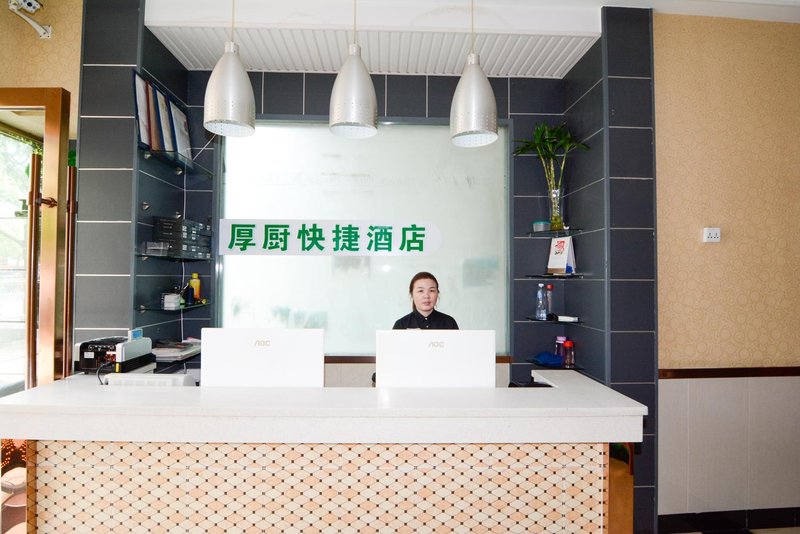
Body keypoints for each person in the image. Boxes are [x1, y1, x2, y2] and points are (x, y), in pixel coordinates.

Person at [393, 271, 458, 330]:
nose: (426, 296)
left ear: (437, 293)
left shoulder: (449, 322)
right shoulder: (401, 325)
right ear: (412, 294)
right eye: (420, 291)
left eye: (431, 290)